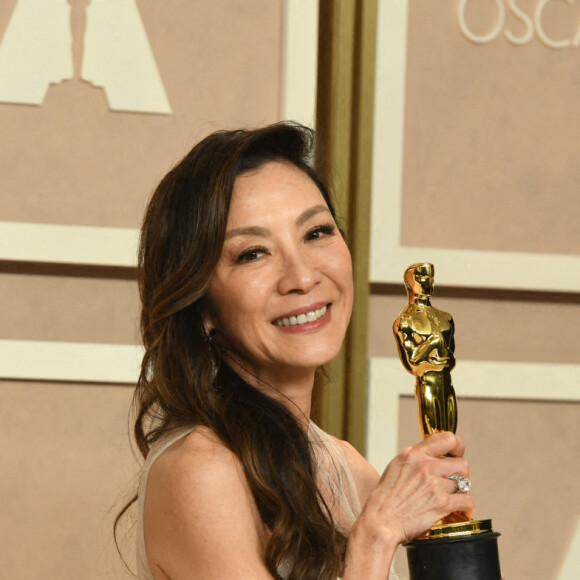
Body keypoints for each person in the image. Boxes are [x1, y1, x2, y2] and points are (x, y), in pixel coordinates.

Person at [116, 122, 474, 580]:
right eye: (252, 254)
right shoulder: (200, 471)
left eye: (316, 233)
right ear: (201, 303)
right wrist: (377, 536)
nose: (302, 277)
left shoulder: (344, 468)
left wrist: (457, 520)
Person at [393, 263, 458, 438]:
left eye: (430, 278)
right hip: (427, 382)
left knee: (450, 441)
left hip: (446, 381)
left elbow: (451, 357)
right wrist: (433, 343)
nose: (428, 283)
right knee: (434, 441)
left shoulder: (445, 317)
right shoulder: (405, 321)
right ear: (410, 283)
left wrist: (441, 355)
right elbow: (412, 363)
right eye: (421, 278)